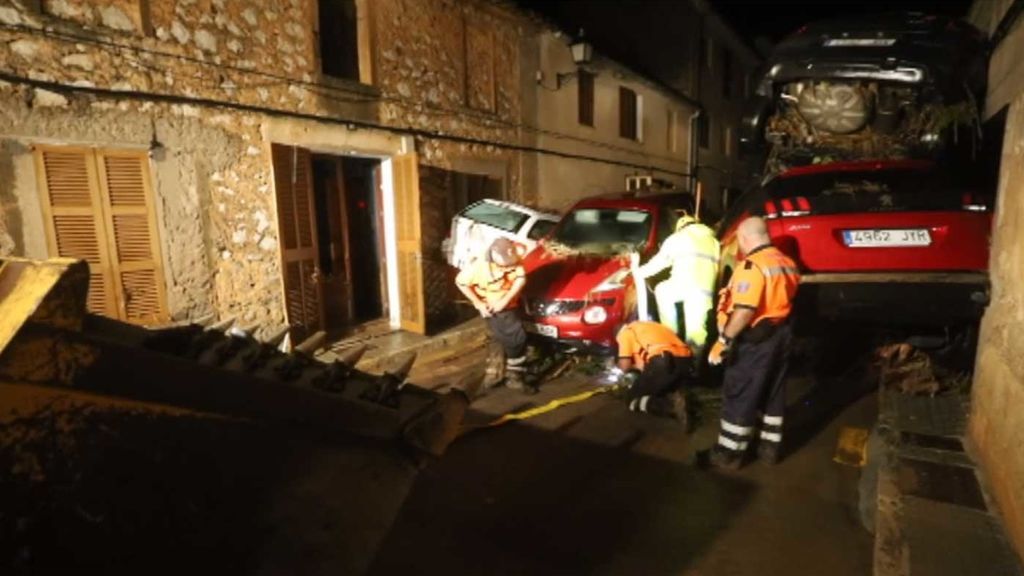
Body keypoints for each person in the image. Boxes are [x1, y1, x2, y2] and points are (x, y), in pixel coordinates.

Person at [707, 216, 800, 469]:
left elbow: (745, 310)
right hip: (782, 333)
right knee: (773, 390)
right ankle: (769, 449)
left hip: (757, 337)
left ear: (745, 238)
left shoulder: (752, 267)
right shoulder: (786, 262)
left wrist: (724, 340)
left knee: (740, 391)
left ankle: (729, 452)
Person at [455, 237, 536, 394]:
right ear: (493, 255)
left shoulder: (514, 257)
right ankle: (512, 376)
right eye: (502, 265)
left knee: (499, 338)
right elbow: (461, 283)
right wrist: (478, 303)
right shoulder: (478, 267)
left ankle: (496, 375)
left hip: (506, 305)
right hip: (492, 308)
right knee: (516, 338)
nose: (506, 267)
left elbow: (520, 278)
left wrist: (505, 300)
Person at [631, 213, 720, 353]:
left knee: (662, 290)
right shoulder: (714, 242)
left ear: (681, 227)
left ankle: (670, 336)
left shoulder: (679, 237)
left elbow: (659, 263)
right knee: (698, 334)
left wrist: (638, 272)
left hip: (683, 285)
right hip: (705, 292)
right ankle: (697, 363)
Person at [609, 321, 692, 422]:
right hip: (685, 360)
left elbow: (625, 366)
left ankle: (671, 406)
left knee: (631, 400)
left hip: (662, 361)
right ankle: (680, 397)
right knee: (659, 385)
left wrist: (618, 365)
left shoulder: (625, 333)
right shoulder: (649, 326)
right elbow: (644, 367)